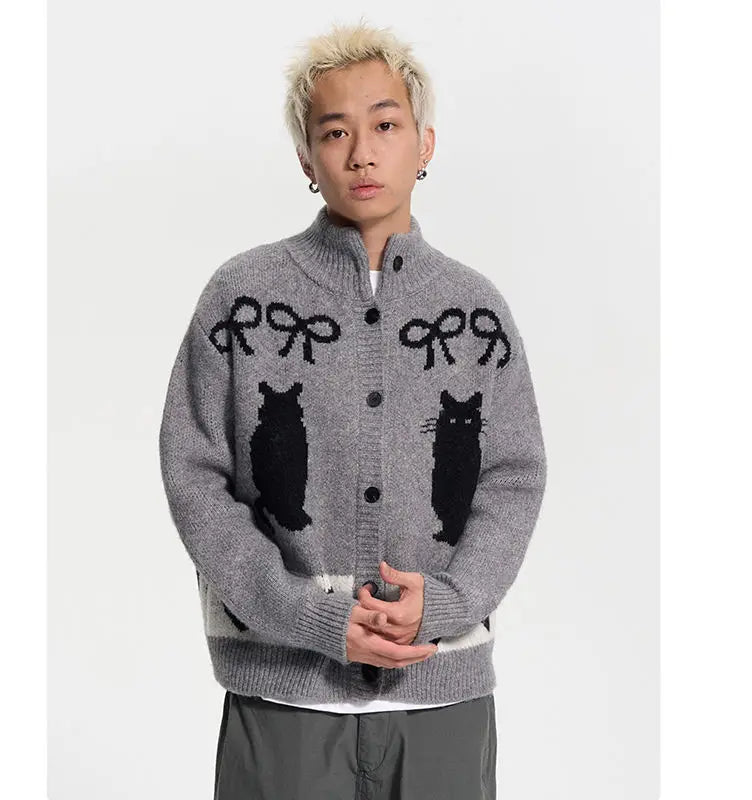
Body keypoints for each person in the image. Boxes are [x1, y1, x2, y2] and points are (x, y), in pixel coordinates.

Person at [158, 19, 547, 800]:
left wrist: (447, 603)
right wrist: (306, 614)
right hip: (283, 698)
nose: (362, 153)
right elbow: (194, 476)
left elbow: (513, 479)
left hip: (442, 698)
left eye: (385, 125)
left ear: (425, 143)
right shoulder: (242, 296)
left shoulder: (475, 311)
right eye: (335, 132)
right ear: (306, 157)